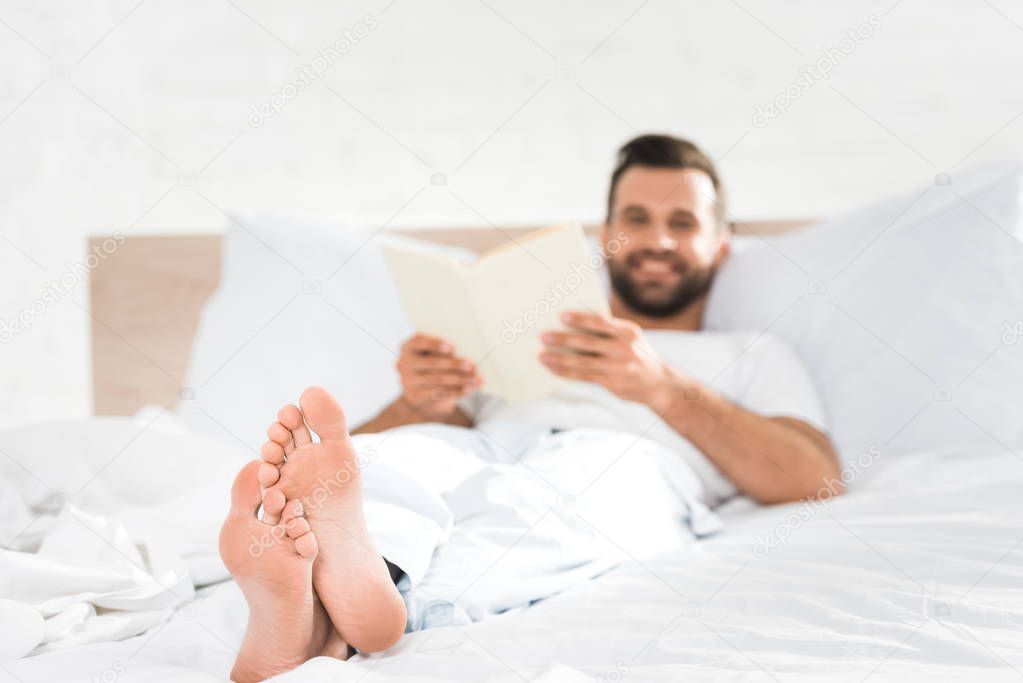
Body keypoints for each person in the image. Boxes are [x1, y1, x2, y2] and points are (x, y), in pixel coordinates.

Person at [218, 134, 842, 681]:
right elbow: (343, 463)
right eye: (637, 218)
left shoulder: (749, 352)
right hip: (489, 436)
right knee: (389, 460)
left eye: (682, 222)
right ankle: (327, 611)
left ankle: (339, 622)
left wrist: (657, 385)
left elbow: (814, 477)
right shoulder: (537, 324)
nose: (657, 239)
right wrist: (419, 402)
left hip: (627, 459)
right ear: (607, 236)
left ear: (722, 242)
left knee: (535, 508)